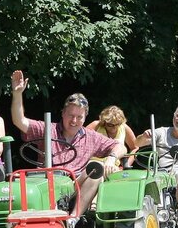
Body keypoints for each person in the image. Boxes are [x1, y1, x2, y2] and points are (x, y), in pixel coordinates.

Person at [10, 72, 126, 215]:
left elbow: (120, 146)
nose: (74, 121)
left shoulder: (91, 137)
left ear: (85, 118)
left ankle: (73, 219)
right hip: (46, 184)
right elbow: (19, 121)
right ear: (63, 113)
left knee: (96, 169)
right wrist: (17, 94)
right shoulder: (47, 129)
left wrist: (112, 158)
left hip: (75, 187)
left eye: (79, 117)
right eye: (71, 115)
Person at [134, 104, 178, 215]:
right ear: (173, 117)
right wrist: (143, 136)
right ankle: (143, 211)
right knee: (142, 177)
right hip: (159, 171)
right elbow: (137, 143)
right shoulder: (162, 132)